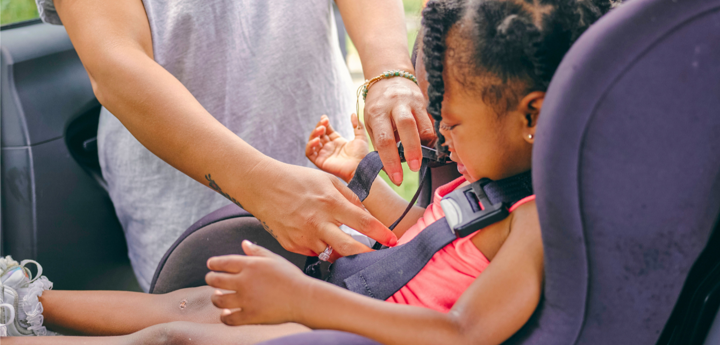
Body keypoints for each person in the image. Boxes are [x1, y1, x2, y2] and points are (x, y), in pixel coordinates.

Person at [3, 0, 614, 343]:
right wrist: (364, 176)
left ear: (531, 115)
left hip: (347, 323)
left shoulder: (534, 225)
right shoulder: (487, 178)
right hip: (344, 293)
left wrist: (305, 301)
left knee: (177, 337)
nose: (442, 136)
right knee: (188, 305)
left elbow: (461, 332)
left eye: (449, 121)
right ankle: (27, 304)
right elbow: (426, 239)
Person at [36, 0, 428, 291]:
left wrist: (389, 73)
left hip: (325, 159)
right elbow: (114, 62)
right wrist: (261, 185)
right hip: (184, 198)